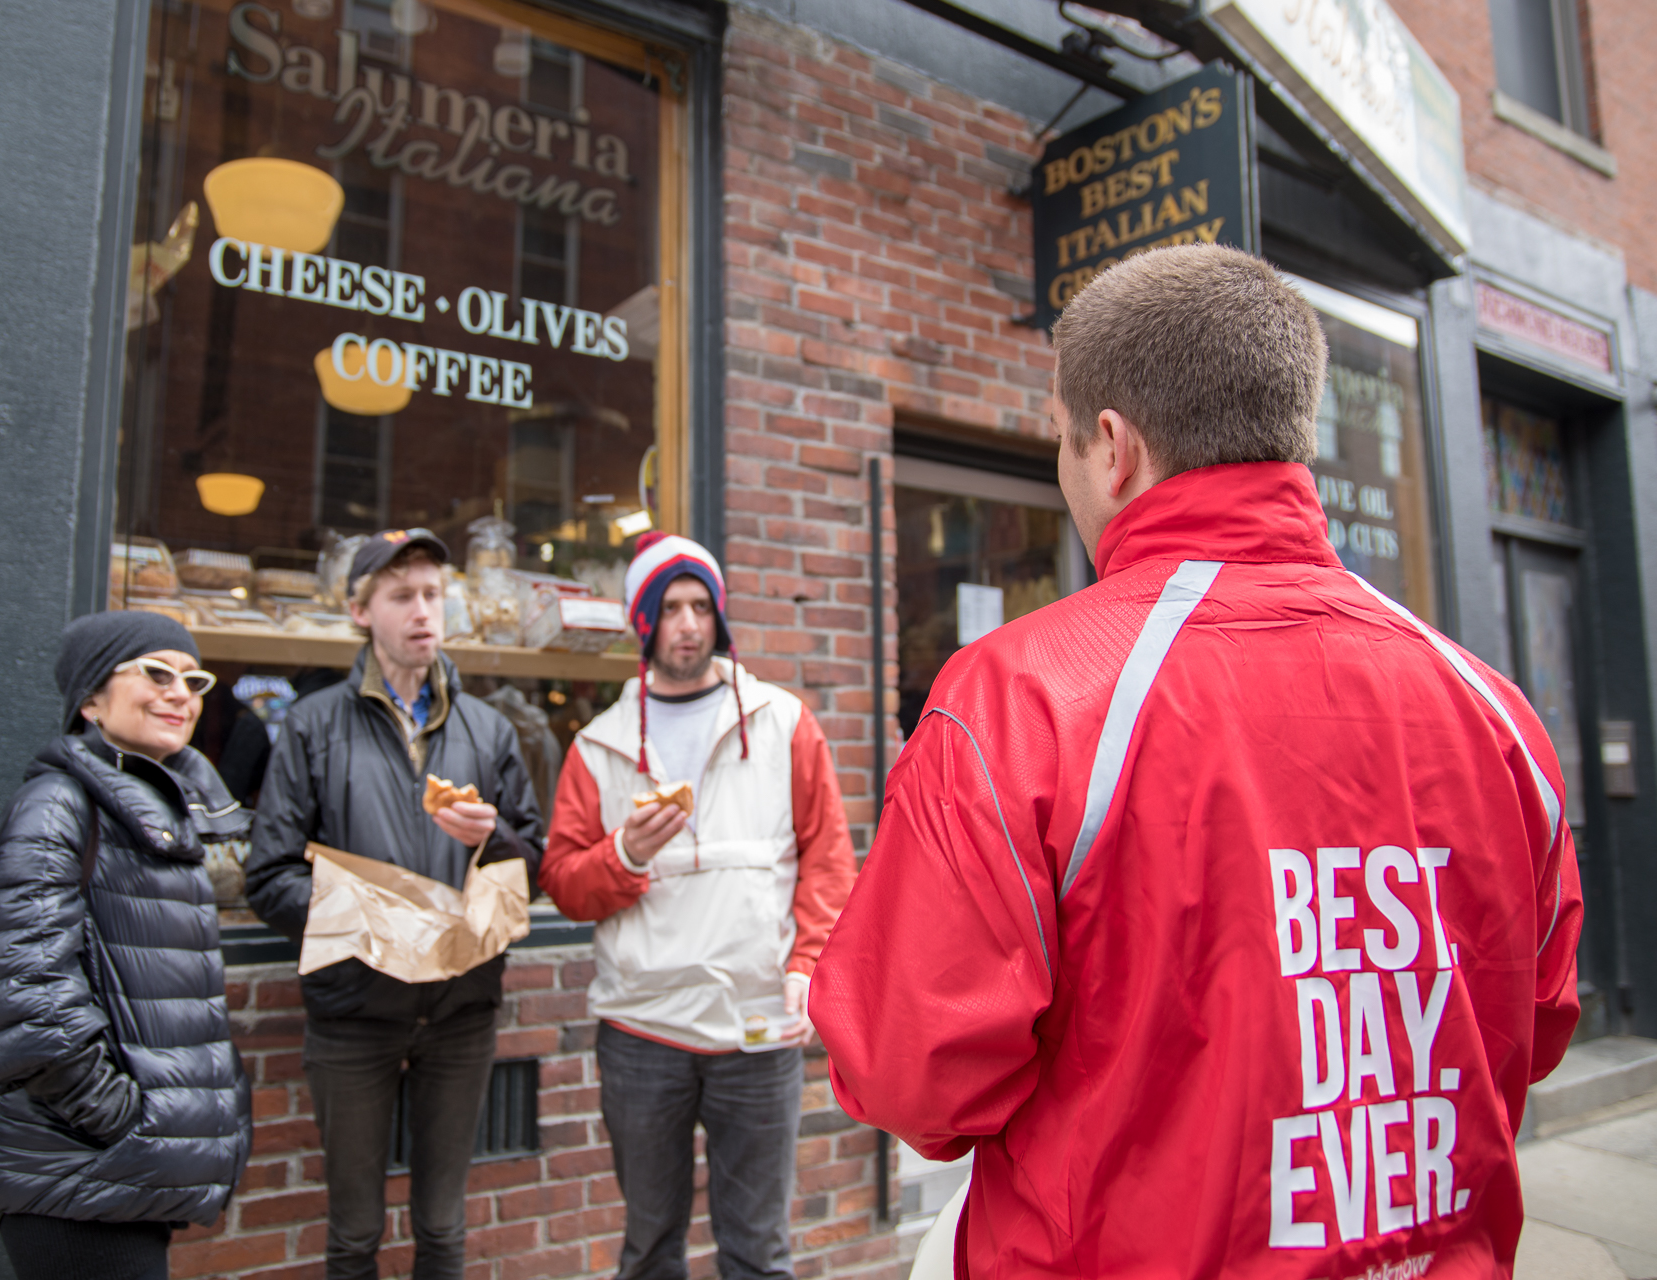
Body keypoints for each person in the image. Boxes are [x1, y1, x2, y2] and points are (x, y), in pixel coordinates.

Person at [811, 245, 1585, 1279]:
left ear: (1114, 445)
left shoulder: (1019, 699)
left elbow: (911, 1073)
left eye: (1058, 442)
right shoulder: (1494, 710)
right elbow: (1530, 1030)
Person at [541, 532, 857, 1280]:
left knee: (758, 1253)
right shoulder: (599, 743)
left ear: (718, 616)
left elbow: (830, 860)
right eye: (670, 608)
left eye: (700, 607)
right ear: (642, 621)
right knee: (650, 1251)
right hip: (642, 1028)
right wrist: (624, 856)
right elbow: (561, 881)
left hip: (758, 1029)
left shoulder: (783, 722)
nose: (688, 623)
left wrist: (809, 966)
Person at [244, 528, 544, 1280]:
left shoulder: (490, 730)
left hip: (461, 1014)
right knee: (353, 1235)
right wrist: (375, 918)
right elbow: (269, 877)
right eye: (401, 595)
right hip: (353, 1016)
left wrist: (495, 838)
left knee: (443, 1229)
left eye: (433, 595)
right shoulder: (311, 725)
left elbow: (534, 869)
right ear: (359, 612)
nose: (422, 611)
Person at [0, 611, 254, 1280]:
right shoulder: (59, 803)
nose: (181, 692)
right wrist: (120, 1115)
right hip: (75, 1171)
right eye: (156, 673)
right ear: (91, 698)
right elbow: (27, 998)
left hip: (117, 1170)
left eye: (193, 678)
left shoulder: (163, 807)